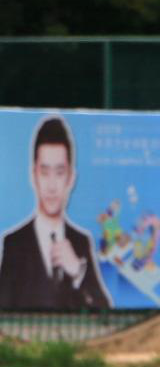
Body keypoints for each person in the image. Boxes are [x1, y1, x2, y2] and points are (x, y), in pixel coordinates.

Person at [0, 114, 112, 310]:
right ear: (33, 175)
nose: (52, 186)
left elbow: (106, 312)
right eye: (44, 172)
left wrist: (78, 272)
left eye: (59, 173)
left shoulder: (81, 242)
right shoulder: (14, 243)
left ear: (71, 178)